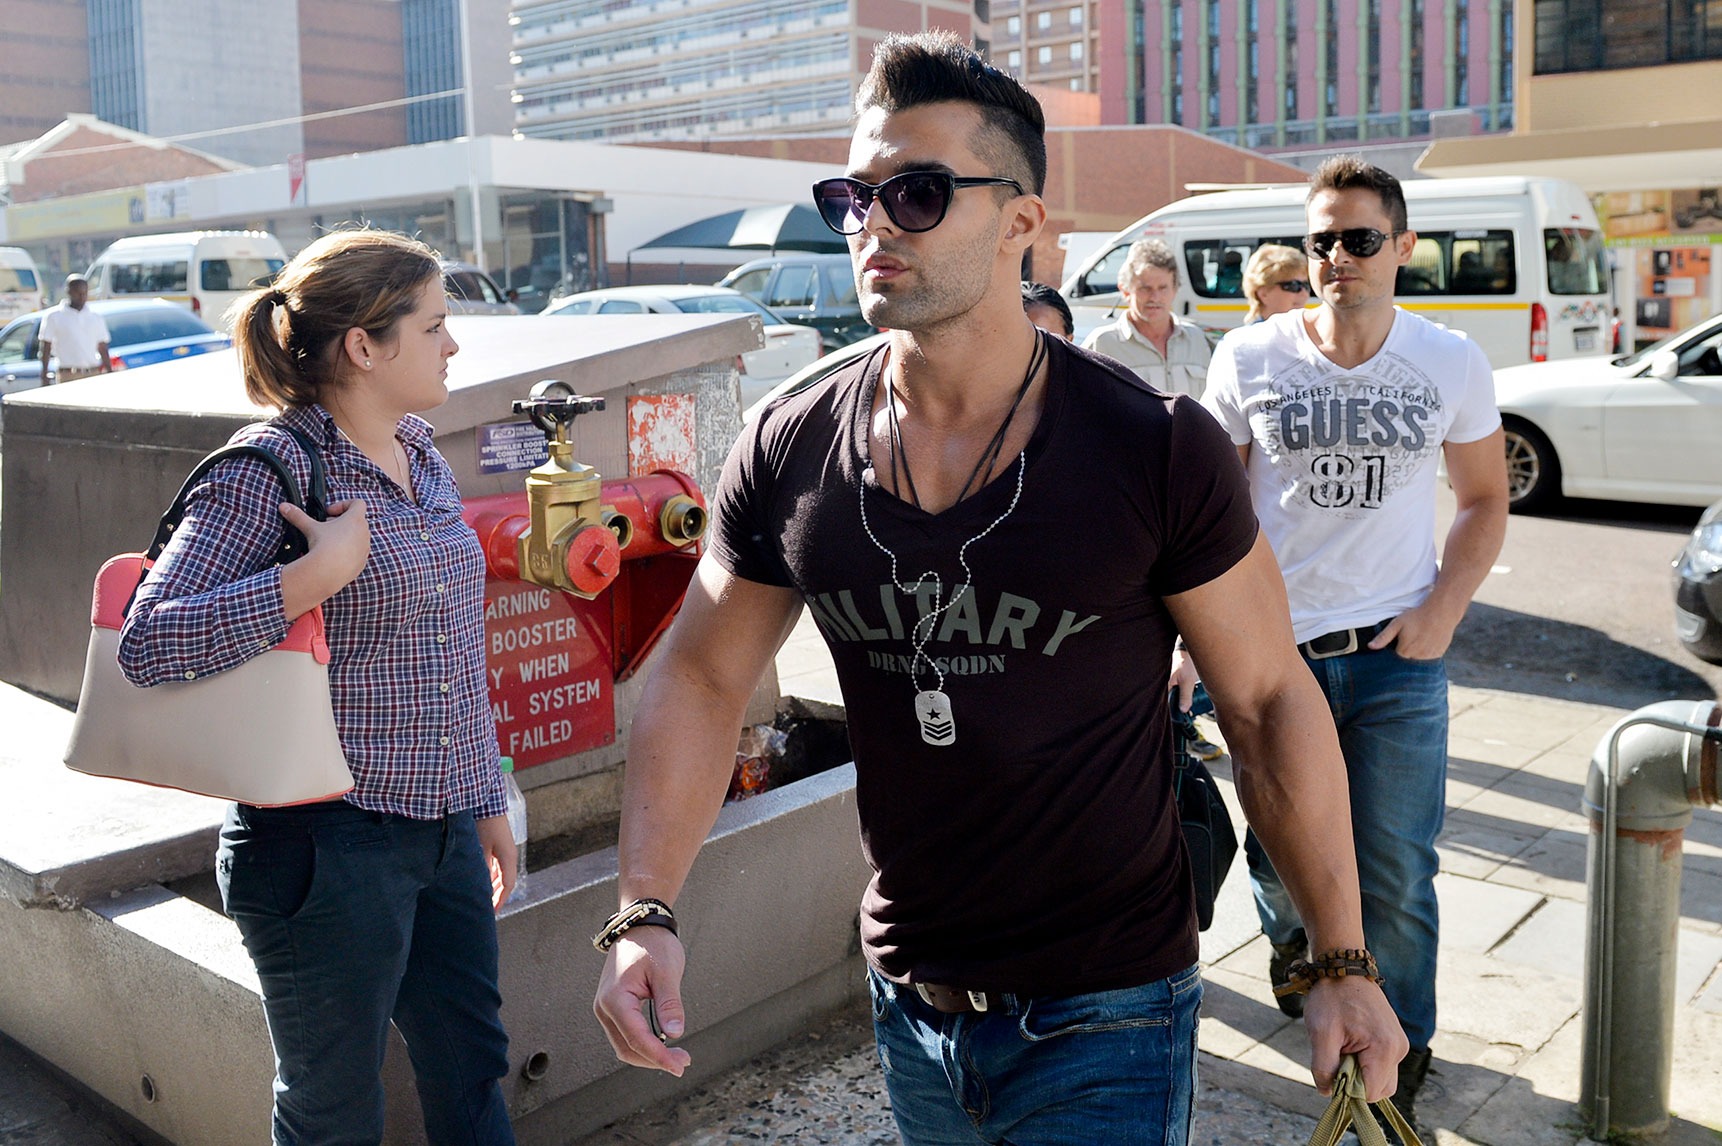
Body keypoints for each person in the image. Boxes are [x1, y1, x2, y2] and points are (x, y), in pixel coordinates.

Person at [593, 32, 1405, 1145]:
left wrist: (1341, 958)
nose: (873, 224)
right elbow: (698, 673)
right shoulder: (791, 445)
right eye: (853, 196)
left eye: (917, 193)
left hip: (1108, 1010)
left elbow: (1267, 701)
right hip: (909, 996)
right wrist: (646, 906)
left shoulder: (1152, 447)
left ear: (1022, 224)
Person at [116, 229, 518, 1145]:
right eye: (434, 326)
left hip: (443, 830)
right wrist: (308, 580)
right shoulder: (270, 469)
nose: (454, 345)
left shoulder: (417, 451)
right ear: (363, 347)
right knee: (332, 1111)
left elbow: (453, 646)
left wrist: (483, 798)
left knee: (474, 1072)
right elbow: (148, 640)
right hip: (322, 846)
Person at [1202, 154, 1509, 1133]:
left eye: (1360, 239)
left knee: (1396, 867)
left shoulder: (1450, 360)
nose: (1337, 257)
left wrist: (1443, 609)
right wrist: (1196, 639)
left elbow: (1486, 500)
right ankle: (1313, 984)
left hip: (1394, 660)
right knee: (1278, 858)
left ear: (1404, 248)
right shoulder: (1248, 359)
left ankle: (1401, 1044)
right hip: (1268, 662)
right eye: (1321, 240)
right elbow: (1210, 516)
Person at [1080, 237, 1211, 396]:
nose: (1154, 297)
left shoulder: (1197, 340)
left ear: (1175, 289)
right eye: (1145, 288)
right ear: (1125, 291)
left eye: (1163, 288)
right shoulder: (1102, 344)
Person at [38, 273, 112, 382]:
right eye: (78, 293)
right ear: (69, 291)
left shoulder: (95, 317)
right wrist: (44, 375)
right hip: (68, 375)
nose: (82, 297)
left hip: (92, 374)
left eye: (84, 293)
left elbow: (102, 347)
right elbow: (46, 347)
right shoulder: (54, 316)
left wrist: (109, 371)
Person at [1242, 244, 1312, 323]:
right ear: (1263, 294)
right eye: (1293, 286)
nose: (1304, 294)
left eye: (1306, 285)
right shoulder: (1251, 335)